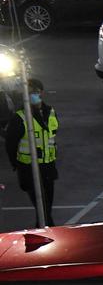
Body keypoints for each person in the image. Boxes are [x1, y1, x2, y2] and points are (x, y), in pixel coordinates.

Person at [5, 78, 57, 227]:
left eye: (35, 92)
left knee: (46, 209)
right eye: (29, 93)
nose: (32, 95)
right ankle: (49, 237)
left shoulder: (51, 112)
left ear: (41, 93)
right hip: (29, 169)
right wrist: (17, 165)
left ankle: (44, 235)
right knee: (43, 210)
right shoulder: (20, 117)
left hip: (48, 168)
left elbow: (52, 138)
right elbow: (10, 144)